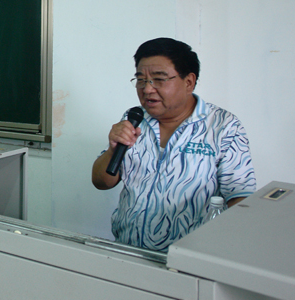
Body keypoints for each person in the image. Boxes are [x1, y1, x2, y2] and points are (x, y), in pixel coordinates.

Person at [91, 37, 256, 251]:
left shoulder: (223, 127)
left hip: (190, 259)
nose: (147, 89)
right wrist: (112, 149)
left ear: (189, 82)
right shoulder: (134, 119)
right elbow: (101, 182)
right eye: (141, 80)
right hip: (128, 251)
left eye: (159, 80)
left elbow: (240, 200)